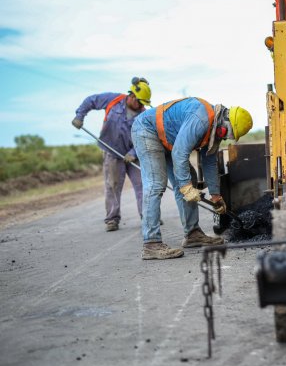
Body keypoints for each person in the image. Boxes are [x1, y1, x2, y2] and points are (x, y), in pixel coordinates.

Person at [131, 97, 253, 260]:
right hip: (147, 131)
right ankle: (151, 244)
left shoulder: (215, 128)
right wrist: (186, 188)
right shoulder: (201, 119)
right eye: (225, 134)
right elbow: (179, 153)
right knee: (156, 184)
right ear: (225, 121)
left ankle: (192, 234)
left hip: (167, 140)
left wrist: (216, 196)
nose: (223, 138)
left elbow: (209, 162)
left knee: (191, 177)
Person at [72, 77, 151, 232]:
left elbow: (145, 136)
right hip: (112, 152)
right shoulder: (113, 100)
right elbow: (90, 101)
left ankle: (148, 216)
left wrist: (133, 152)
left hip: (133, 154)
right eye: (140, 102)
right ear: (132, 96)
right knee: (113, 186)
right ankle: (112, 219)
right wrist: (79, 116)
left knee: (143, 184)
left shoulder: (144, 115)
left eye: (144, 104)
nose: (142, 106)